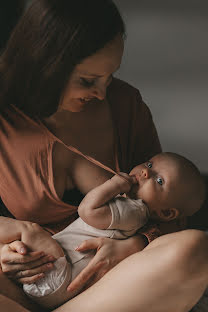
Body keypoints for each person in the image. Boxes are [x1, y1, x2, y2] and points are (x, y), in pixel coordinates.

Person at [0, 1, 208, 311]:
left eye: (109, 77)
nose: (101, 93)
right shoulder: (6, 117)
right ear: (43, 64)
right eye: (87, 81)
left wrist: (133, 245)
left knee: (197, 249)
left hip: (112, 284)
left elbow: (172, 208)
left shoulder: (126, 106)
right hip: (27, 281)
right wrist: (9, 246)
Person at [1, 152, 206, 309]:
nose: (146, 172)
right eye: (149, 164)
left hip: (56, 272)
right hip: (52, 277)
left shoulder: (132, 210)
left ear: (167, 213)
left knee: (28, 230)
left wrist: (114, 185)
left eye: (159, 181)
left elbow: (87, 210)